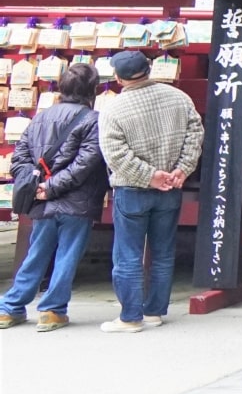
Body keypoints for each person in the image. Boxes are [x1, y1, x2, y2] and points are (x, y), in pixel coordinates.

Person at [97, 49, 202, 333]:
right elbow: (195, 135)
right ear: (150, 69)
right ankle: (154, 311)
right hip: (172, 186)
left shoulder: (113, 110)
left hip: (133, 188)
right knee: (163, 252)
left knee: (128, 254)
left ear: (118, 78)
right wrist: (182, 168)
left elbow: (115, 154)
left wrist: (149, 176)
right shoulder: (179, 98)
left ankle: (130, 317)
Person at [0, 63, 107, 331]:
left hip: (41, 200)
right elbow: (85, 164)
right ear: (92, 90)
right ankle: (52, 310)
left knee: (36, 254)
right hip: (76, 201)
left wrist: (36, 184)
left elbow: (20, 156)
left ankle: (10, 308)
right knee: (67, 255)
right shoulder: (92, 120)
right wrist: (52, 187)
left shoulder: (40, 118)